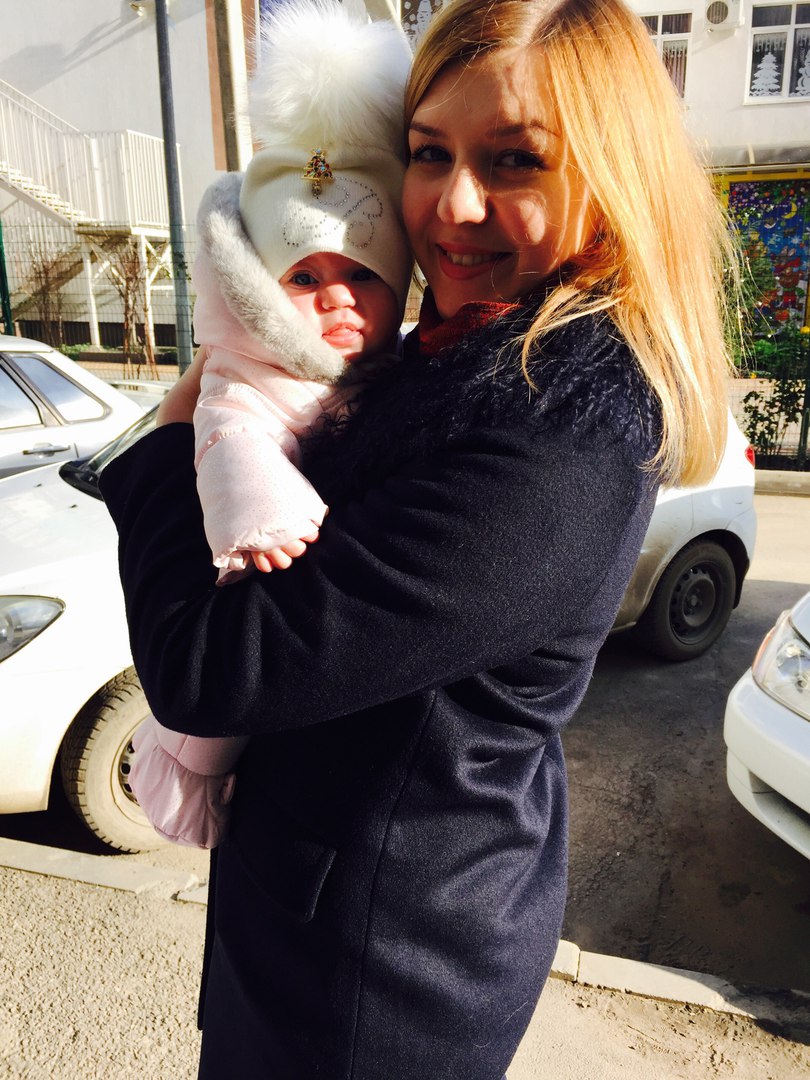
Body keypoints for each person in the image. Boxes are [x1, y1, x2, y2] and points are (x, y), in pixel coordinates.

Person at [100, 0, 738, 1075]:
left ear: (609, 180)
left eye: (515, 160)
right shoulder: (455, 354)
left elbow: (212, 670)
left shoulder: (556, 438)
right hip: (338, 924)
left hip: (372, 983)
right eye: (429, 151)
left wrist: (169, 448)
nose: (454, 203)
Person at [127, 0, 412, 850]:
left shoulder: (389, 372)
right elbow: (228, 435)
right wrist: (263, 516)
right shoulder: (246, 366)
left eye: (362, 275)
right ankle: (190, 776)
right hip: (249, 558)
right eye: (304, 279)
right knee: (210, 728)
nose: (336, 298)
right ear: (257, 293)